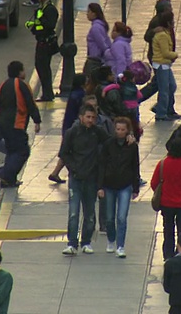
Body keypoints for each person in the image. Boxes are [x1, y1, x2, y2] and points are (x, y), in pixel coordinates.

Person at [60, 104, 120, 255]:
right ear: (81, 117)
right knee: (73, 213)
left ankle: (86, 242)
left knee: (90, 213)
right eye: (88, 117)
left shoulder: (97, 132)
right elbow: (64, 153)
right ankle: (72, 243)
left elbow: (111, 143)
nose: (90, 120)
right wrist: (73, 168)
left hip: (92, 178)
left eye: (93, 117)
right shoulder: (72, 133)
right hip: (76, 178)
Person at [98, 117, 140, 258]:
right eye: (118, 129)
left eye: (123, 129)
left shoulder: (132, 146)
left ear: (127, 130)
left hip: (125, 185)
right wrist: (100, 186)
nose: (120, 132)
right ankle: (111, 239)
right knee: (109, 217)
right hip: (109, 185)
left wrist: (135, 187)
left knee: (121, 217)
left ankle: (120, 246)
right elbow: (102, 165)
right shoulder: (108, 144)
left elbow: (135, 166)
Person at [0, 61, 41, 187]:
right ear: (19, 72)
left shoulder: (2, 85)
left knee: (12, 151)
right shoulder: (21, 85)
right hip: (16, 124)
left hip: (3, 123)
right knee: (22, 151)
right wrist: (37, 121)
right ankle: (5, 173)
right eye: (23, 70)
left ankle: (8, 180)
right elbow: (30, 103)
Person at [142, 0, 181, 119]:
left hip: (164, 59)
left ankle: (166, 108)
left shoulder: (166, 20)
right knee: (162, 86)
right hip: (159, 59)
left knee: (167, 85)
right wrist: (172, 54)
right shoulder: (158, 22)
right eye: (169, 7)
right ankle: (162, 110)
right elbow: (147, 36)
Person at [48, 75, 86, 184]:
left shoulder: (74, 94)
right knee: (69, 151)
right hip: (73, 126)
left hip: (67, 125)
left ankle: (55, 173)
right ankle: (62, 173)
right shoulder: (80, 95)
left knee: (67, 149)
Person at [24, 0, 59, 102]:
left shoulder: (50, 9)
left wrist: (39, 19)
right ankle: (47, 93)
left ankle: (47, 94)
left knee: (43, 68)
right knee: (40, 67)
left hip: (46, 43)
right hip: (41, 41)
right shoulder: (42, 7)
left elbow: (49, 25)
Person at [152, 11, 179, 121]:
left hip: (165, 65)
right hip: (161, 64)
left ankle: (162, 108)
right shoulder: (162, 35)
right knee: (164, 89)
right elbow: (165, 53)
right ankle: (161, 114)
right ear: (168, 23)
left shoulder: (165, 33)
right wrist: (175, 55)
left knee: (171, 86)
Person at [83, 3, 112, 82]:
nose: (87, 14)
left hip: (94, 60)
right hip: (98, 59)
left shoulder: (96, 28)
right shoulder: (100, 26)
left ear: (94, 14)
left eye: (89, 11)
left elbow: (102, 44)